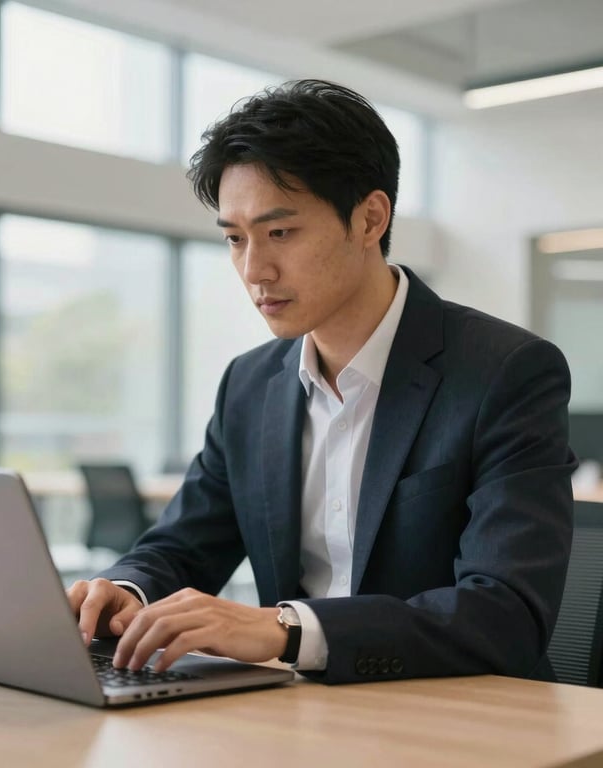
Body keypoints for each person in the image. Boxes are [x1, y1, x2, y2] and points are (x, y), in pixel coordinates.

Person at [67, 79, 577, 684]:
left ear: (369, 219)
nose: (254, 269)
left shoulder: (506, 371)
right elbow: (182, 546)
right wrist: (126, 591)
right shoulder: (250, 384)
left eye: (280, 233)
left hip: (461, 711)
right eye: (235, 238)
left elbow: (506, 614)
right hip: (297, 710)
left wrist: (288, 630)